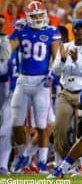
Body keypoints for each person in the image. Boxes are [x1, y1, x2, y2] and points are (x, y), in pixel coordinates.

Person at [9, 0, 61, 174]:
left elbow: (57, 57)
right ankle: (23, 154)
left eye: (40, 15)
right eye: (35, 16)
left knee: (42, 124)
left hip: (41, 81)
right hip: (23, 80)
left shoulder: (52, 32)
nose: (38, 18)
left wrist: (52, 74)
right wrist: (14, 33)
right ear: (28, 17)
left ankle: (42, 162)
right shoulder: (22, 30)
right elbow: (8, 49)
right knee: (16, 122)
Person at [52, 18, 82, 177]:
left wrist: (76, 62)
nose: (78, 31)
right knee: (59, 130)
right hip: (66, 91)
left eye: (81, 28)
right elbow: (56, 71)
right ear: (73, 30)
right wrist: (63, 60)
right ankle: (60, 165)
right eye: (76, 28)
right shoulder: (65, 46)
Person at [0, 13, 12, 175]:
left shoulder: (6, 41)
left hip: (4, 86)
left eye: (2, 25)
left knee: (5, 127)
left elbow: (4, 66)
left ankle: (2, 164)